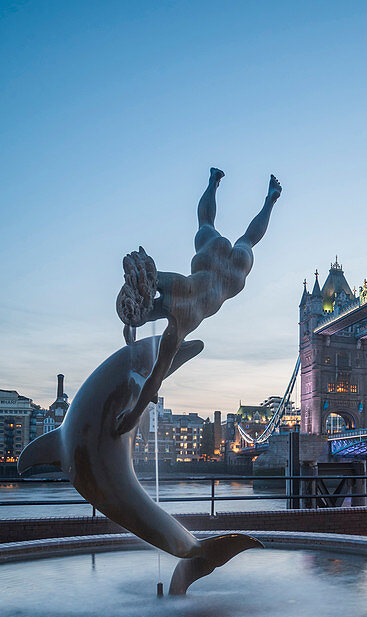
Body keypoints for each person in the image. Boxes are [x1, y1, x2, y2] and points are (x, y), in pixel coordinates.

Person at [115, 169, 281, 434]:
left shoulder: (180, 325)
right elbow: (140, 291)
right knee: (206, 223)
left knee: (247, 240)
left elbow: (156, 376)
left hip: (230, 279)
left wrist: (134, 416)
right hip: (214, 263)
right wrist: (129, 326)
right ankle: (217, 183)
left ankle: (269, 200)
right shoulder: (170, 282)